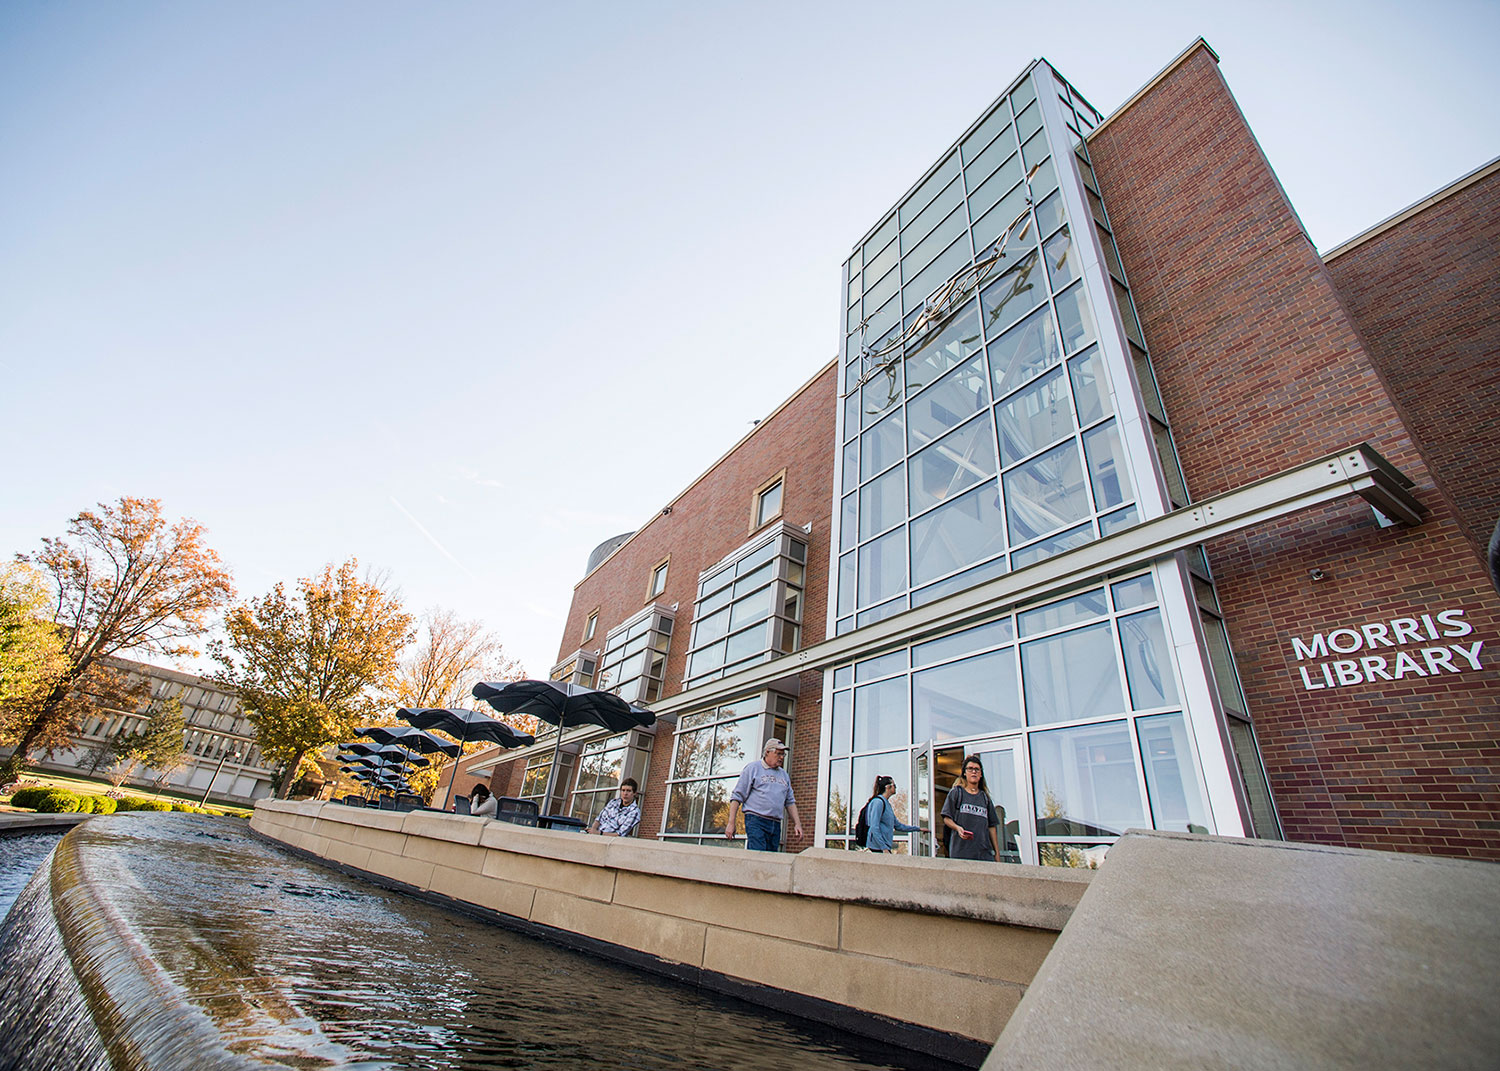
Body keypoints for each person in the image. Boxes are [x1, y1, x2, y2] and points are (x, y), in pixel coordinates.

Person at [725, 739, 804, 851]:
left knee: (770, 859)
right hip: (756, 820)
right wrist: (731, 823)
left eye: (783, 754)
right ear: (767, 752)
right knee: (758, 856)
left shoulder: (784, 775)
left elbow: (790, 802)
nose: (782, 757)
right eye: (778, 753)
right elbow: (737, 797)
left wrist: (797, 824)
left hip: (775, 824)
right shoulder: (753, 768)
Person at [940, 755, 1000, 862]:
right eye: (970, 769)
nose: (974, 772)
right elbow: (946, 818)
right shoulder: (956, 793)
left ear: (981, 774)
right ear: (964, 773)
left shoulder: (985, 798)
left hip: (984, 855)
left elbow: (992, 827)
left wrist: (997, 853)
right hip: (960, 853)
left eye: (977, 769)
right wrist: (957, 828)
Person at [863, 774, 921, 852]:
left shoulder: (887, 805)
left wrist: (917, 829)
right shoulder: (878, 803)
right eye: (894, 785)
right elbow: (874, 827)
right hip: (877, 848)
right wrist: (883, 847)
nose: (896, 787)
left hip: (884, 847)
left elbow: (898, 826)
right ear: (888, 787)